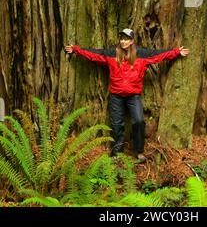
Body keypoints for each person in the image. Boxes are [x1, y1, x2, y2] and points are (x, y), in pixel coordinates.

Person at [65, 28, 189, 162]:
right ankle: (116, 153)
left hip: (133, 96)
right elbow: (94, 54)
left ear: (132, 41)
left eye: (126, 39)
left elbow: (158, 55)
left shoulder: (141, 54)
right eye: (122, 39)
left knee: (139, 121)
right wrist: (76, 50)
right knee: (117, 124)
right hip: (116, 95)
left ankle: (139, 151)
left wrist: (176, 52)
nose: (123, 41)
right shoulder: (112, 53)